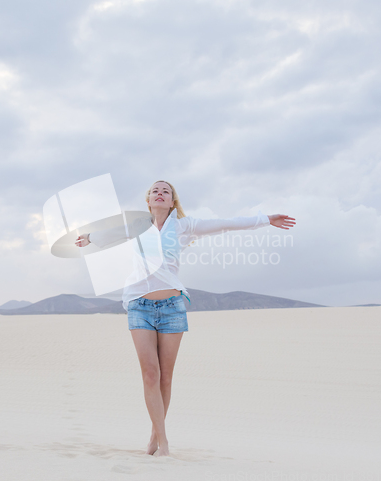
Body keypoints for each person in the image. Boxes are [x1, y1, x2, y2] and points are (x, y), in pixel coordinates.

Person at [75, 180, 295, 457]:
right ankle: (163, 442)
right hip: (139, 306)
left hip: (172, 308)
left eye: (165, 191)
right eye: (155, 190)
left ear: (172, 201)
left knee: (165, 377)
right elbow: (113, 234)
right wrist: (90, 238)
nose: (159, 192)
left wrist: (265, 220)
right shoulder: (137, 227)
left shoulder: (184, 226)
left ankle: (155, 437)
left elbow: (226, 223)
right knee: (150, 374)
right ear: (148, 200)